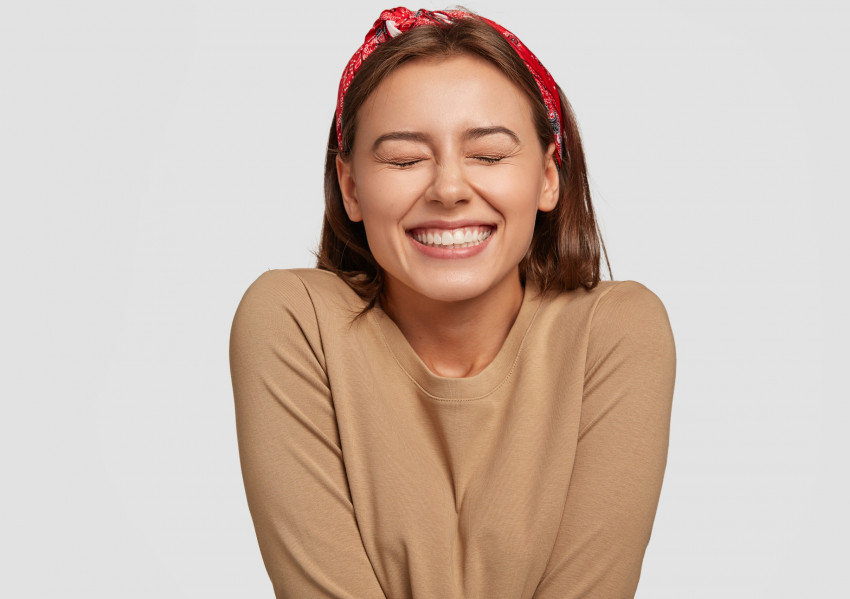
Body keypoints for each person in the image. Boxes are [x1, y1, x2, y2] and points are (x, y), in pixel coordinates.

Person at [229, 7, 676, 598]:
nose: (448, 189)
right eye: (405, 160)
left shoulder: (615, 330)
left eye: (488, 155)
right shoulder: (293, 319)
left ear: (548, 176)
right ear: (352, 187)